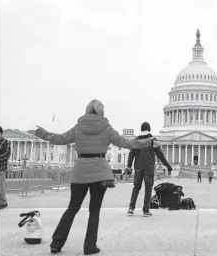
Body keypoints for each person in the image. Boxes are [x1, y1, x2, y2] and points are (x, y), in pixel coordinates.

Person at [35, 99, 158, 255]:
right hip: (100, 172)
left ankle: (56, 243)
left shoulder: (79, 127)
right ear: (101, 112)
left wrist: (41, 132)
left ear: (87, 111)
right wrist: (149, 142)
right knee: (94, 211)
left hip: (80, 170)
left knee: (72, 208)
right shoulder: (106, 129)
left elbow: (59, 139)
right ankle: (89, 246)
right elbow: (129, 143)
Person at [127, 122, 172, 217]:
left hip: (138, 168)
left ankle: (131, 208)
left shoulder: (136, 140)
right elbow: (160, 155)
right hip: (149, 168)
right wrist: (168, 166)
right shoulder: (153, 140)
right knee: (148, 189)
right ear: (149, 129)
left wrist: (129, 166)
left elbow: (131, 155)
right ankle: (145, 210)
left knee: (136, 188)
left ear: (141, 129)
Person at [0, 126, 11, 210]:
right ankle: (2, 202)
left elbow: (7, 153)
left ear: (1, 133)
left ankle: (3, 203)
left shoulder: (6, 142)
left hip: (1, 168)